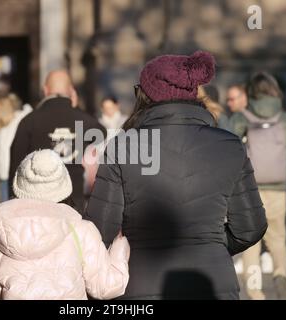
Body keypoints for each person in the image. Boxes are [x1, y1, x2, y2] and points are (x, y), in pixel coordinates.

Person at [85, 51, 267, 300]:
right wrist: (210, 244)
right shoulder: (230, 145)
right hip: (212, 284)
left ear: (146, 95)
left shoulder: (124, 146)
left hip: (141, 283)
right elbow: (251, 227)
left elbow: (98, 230)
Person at [0, 149, 130, 300]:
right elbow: (106, 288)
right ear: (64, 187)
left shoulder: (1, 236)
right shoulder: (80, 230)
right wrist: (120, 246)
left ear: (19, 186)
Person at [230, 71, 286, 300]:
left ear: (251, 93)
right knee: (278, 239)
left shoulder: (243, 117)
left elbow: (229, 150)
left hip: (251, 190)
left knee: (252, 244)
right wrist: (282, 173)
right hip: (277, 191)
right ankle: (281, 276)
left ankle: (255, 293)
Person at [9, 70, 106, 212]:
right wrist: (76, 107)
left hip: (36, 198)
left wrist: (13, 200)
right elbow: (101, 134)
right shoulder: (83, 120)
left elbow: (15, 161)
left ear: (45, 89)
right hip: (73, 197)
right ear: (71, 91)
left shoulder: (30, 121)